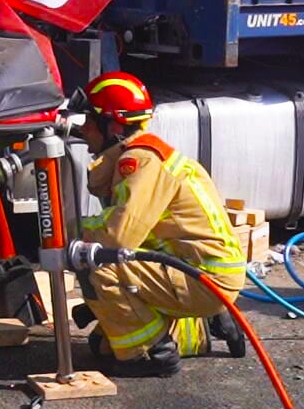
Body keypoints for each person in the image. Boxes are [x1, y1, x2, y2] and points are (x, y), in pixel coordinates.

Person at [73, 71, 247, 377]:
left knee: (94, 263)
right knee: (101, 344)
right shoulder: (138, 156)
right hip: (200, 269)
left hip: (203, 276)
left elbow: (117, 237)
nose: (83, 128)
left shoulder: (141, 162)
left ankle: (151, 355)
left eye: (89, 119)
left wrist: (71, 239)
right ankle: (201, 328)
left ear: (113, 125)